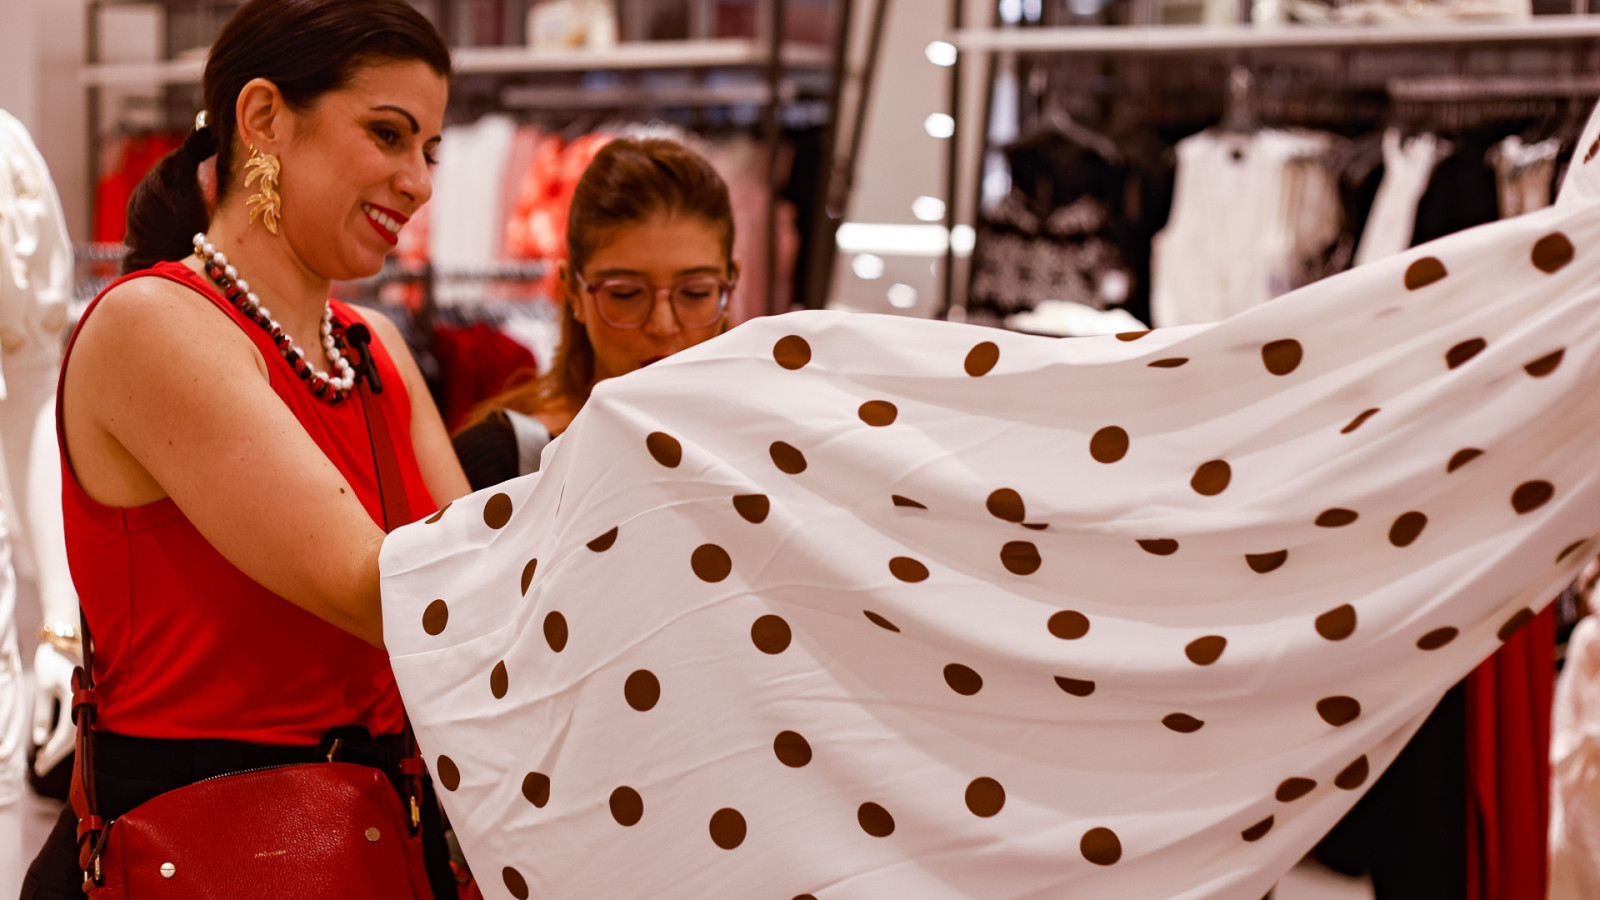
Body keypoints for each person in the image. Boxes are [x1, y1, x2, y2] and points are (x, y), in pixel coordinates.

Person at [22, 1, 470, 897]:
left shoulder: (376, 350)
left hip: (383, 844)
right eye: (388, 134)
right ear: (263, 116)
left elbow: (476, 588)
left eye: (430, 149)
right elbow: (383, 590)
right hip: (208, 855)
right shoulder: (153, 323)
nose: (418, 182)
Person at [452, 137, 739, 490]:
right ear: (571, 291)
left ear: (730, 284)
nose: (663, 325)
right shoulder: (506, 461)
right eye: (626, 294)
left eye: (695, 293)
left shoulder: (766, 439)